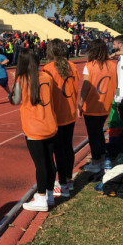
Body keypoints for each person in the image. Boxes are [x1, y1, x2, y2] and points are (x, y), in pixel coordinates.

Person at [10, 49, 58, 212]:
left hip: (34, 128)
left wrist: (14, 82)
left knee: (41, 164)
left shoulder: (22, 79)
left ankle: (42, 197)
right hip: (50, 124)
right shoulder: (47, 77)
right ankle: (49, 194)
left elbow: (15, 100)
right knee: (50, 162)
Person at [43, 39, 80, 198]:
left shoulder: (48, 69)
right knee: (67, 148)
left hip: (56, 114)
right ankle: (68, 180)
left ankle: (63, 184)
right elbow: (76, 87)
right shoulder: (73, 66)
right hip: (70, 112)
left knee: (58, 151)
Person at [77, 40, 118, 173]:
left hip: (93, 105)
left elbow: (85, 87)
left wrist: (80, 104)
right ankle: (101, 157)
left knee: (93, 135)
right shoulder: (112, 65)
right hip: (106, 104)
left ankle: (96, 162)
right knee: (99, 132)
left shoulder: (89, 66)